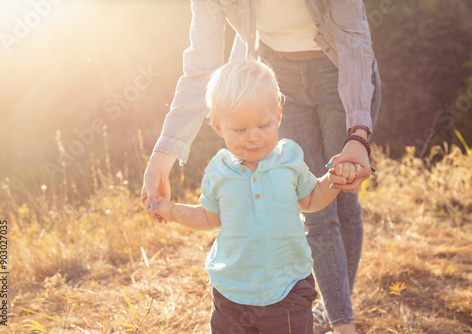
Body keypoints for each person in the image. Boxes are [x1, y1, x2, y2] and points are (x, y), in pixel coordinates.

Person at [142, 1, 381, 333]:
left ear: (276, 119)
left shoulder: (287, 158)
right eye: (240, 130)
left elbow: (355, 41)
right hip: (275, 74)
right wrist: (163, 167)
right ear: (220, 128)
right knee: (321, 221)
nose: (252, 139)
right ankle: (341, 318)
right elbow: (201, 68)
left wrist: (353, 144)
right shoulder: (220, 171)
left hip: (338, 67)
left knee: (342, 203)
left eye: (260, 129)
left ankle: (339, 316)